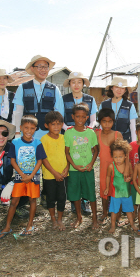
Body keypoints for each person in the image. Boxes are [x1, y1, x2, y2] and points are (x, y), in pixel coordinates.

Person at [13, 55, 64, 208]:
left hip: (48, 134)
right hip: (29, 133)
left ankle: (46, 195)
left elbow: (59, 111)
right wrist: (17, 132)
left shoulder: (54, 88)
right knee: (27, 164)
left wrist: (59, 133)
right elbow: (18, 111)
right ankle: (23, 200)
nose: (43, 69)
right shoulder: (23, 87)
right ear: (33, 69)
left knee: (48, 164)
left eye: (46, 67)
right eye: (39, 66)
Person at [0, 115, 46, 238]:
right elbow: (12, 160)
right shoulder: (15, 142)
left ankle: (30, 224)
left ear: (35, 129)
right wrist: (22, 174)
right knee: (14, 201)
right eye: (26, 128)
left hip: (33, 177)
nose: (29, 131)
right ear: (21, 128)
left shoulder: (38, 143)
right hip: (20, 177)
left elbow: (40, 161)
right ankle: (7, 226)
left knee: (32, 200)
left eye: (32, 128)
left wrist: (31, 175)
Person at [62, 71, 97, 215]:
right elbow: (60, 116)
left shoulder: (90, 99)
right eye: (73, 82)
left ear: (83, 84)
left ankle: (85, 201)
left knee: (85, 167)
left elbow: (94, 119)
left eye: (79, 82)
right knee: (72, 173)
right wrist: (70, 129)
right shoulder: (63, 98)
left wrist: (88, 129)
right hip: (69, 134)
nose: (76, 85)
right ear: (69, 84)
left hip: (86, 135)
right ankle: (74, 201)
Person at [64, 104, 99, 229]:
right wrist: (74, 166)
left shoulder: (90, 132)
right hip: (74, 170)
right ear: (73, 116)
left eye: (83, 117)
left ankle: (94, 218)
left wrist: (91, 164)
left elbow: (96, 150)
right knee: (76, 194)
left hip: (88, 169)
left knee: (91, 194)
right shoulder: (68, 133)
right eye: (77, 116)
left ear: (87, 117)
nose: (80, 119)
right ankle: (79, 217)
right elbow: (67, 152)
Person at [41, 111, 69, 231]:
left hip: (63, 175)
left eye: (59, 124)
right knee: (51, 198)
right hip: (49, 175)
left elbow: (68, 154)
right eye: (53, 124)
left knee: (62, 197)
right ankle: (53, 219)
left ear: (62, 124)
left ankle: (60, 219)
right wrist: (54, 173)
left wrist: (67, 167)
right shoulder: (44, 139)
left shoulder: (64, 138)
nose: (56, 127)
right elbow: (44, 159)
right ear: (47, 125)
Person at [96, 108, 124, 223]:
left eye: (109, 121)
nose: (107, 124)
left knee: (117, 189)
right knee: (104, 191)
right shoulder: (96, 133)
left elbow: (124, 152)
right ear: (100, 121)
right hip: (103, 168)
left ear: (113, 121)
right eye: (104, 121)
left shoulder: (117, 135)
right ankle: (104, 212)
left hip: (117, 168)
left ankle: (118, 215)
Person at [105, 140, 138, 234]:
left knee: (129, 210)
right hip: (115, 193)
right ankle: (112, 226)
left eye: (120, 157)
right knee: (114, 211)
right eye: (115, 157)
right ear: (112, 157)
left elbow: (132, 175)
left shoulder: (128, 166)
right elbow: (108, 177)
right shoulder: (111, 166)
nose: (118, 159)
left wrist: (130, 178)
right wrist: (107, 188)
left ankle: (132, 224)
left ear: (125, 156)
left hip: (126, 193)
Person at [99, 76, 137, 142]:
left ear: (125, 90)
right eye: (116, 87)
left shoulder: (130, 105)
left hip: (125, 142)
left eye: (122, 88)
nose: (119, 90)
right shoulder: (103, 105)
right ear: (112, 88)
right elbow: (100, 126)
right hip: (107, 141)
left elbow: (133, 127)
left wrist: (133, 144)